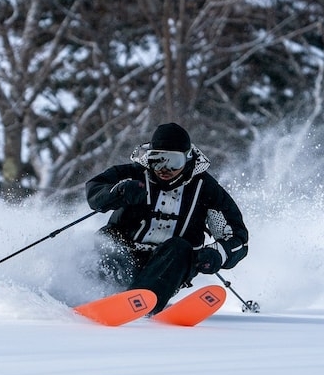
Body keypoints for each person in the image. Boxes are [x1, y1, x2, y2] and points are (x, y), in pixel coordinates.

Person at [85, 122, 249, 314]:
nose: (164, 169)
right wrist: (119, 191)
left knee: (180, 247)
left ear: (188, 158)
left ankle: (141, 304)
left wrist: (218, 253)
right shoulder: (134, 175)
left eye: (174, 162)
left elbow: (237, 238)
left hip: (169, 265)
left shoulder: (206, 190)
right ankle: (88, 297)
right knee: (106, 238)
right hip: (124, 254)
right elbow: (95, 190)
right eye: (157, 160)